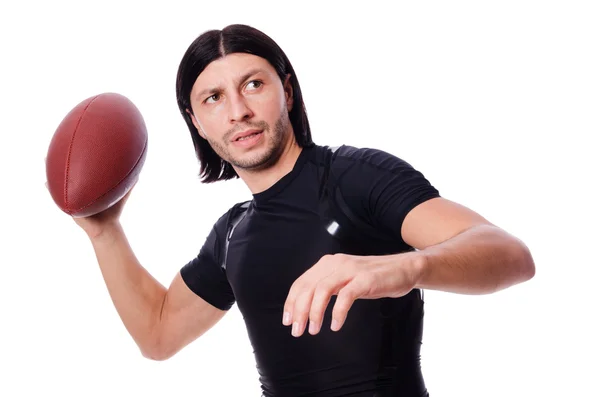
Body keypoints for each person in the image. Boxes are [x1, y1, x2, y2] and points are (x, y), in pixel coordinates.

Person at [73, 24, 535, 397]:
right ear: (197, 122)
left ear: (287, 93)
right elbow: (158, 335)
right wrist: (104, 231)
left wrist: (403, 267)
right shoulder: (233, 233)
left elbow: (510, 255)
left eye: (253, 84)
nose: (238, 111)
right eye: (213, 98)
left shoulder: (354, 177)